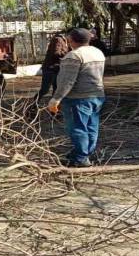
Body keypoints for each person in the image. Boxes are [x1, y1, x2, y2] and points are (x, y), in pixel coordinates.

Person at [48, 28, 106, 167]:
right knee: (92, 127)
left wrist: (56, 98)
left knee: (77, 128)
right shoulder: (97, 52)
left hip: (77, 98)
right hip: (97, 95)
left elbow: (67, 81)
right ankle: (82, 153)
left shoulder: (73, 56)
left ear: (71, 40)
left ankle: (80, 158)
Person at [35, 32, 69, 106]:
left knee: (55, 89)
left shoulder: (62, 40)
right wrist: (68, 54)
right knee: (45, 90)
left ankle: (54, 108)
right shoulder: (58, 39)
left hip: (55, 69)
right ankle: (34, 104)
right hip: (50, 69)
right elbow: (56, 53)